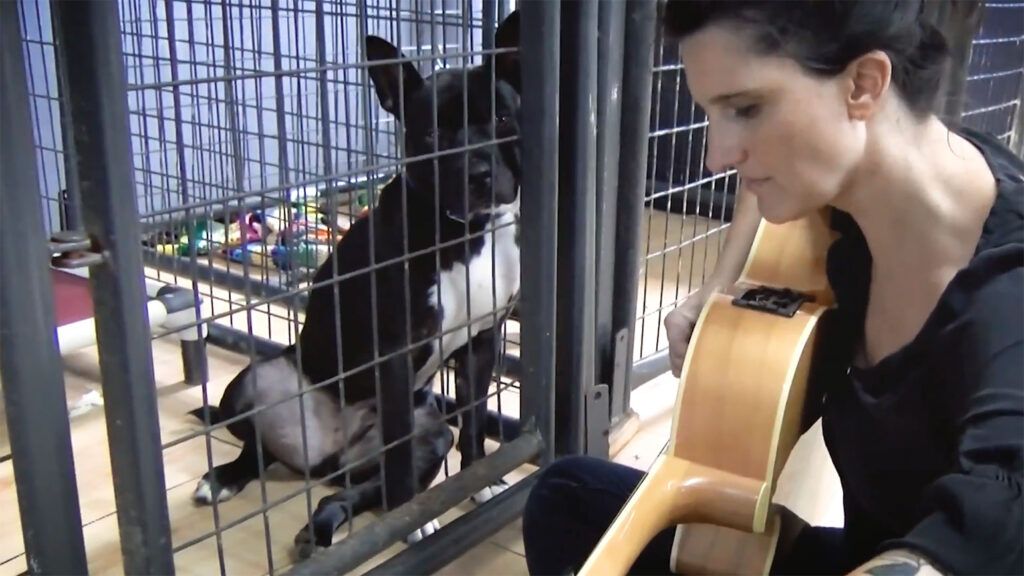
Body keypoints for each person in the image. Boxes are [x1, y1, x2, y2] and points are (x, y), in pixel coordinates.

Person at [522, 1, 1024, 575]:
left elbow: (1001, 505)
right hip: (863, 550)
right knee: (569, 500)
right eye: (713, 112)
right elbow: (763, 201)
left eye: (746, 108)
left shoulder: (1006, 285)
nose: (716, 157)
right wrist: (721, 295)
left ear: (863, 84)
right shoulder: (851, 193)